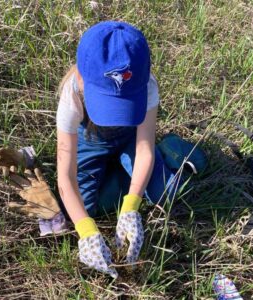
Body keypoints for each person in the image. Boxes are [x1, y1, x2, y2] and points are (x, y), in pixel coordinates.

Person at [56, 21, 180, 278]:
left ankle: (141, 169)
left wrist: (131, 206)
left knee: (167, 192)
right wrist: (87, 231)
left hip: (129, 138)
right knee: (82, 210)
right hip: (90, 140)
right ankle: (121, 172)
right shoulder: (71, 94)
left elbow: (144, 148)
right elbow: (64, 178)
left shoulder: (147, 85)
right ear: (81, 76)